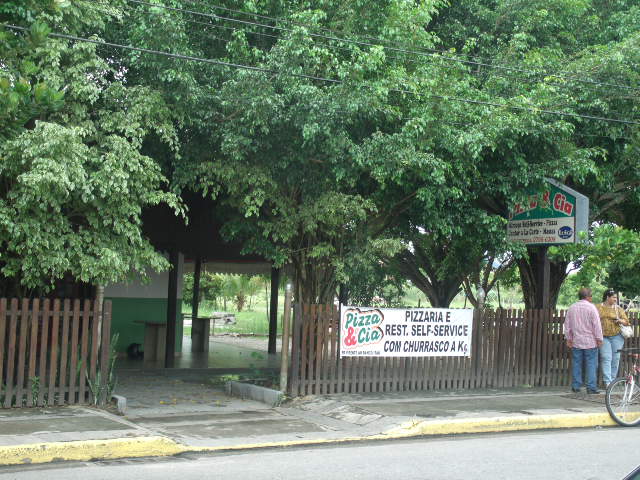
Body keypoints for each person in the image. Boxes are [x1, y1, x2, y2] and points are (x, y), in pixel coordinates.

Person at [564, 287, 603, 394]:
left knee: (576, 363)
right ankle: (591, 388)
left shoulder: (572, 307)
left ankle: (576, 386)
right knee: (591, 364)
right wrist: (599, 338)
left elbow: (567, 325)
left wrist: (569, 338)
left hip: (576, 341)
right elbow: (597, 325)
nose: (592, 298)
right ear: (588, 297)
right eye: (591, 296)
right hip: (591, 342)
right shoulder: (591, 308)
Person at [596, 289, 630, 388]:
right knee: (606, 357)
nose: (616, 299)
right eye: (614, 297)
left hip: (617, 337)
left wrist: (619, 320)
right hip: (603, 337)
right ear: (607, 297)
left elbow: (627, 322)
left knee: (615, 359)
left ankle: (611, 382)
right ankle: (607, 382)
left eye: (616, 297)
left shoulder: (618, 309)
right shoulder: (598, 307)